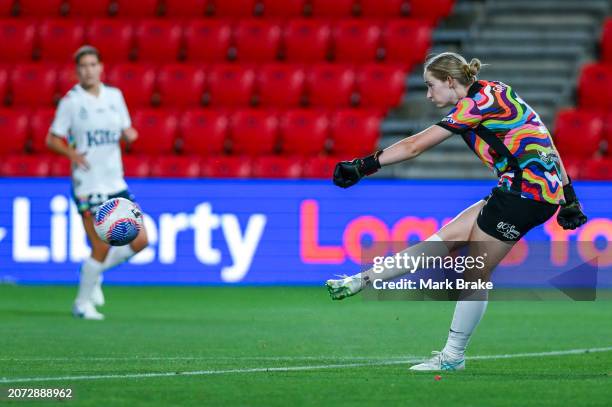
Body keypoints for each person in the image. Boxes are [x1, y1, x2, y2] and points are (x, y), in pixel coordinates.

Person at [325, 52, 587, 371]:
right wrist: (568, 194)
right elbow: (546, 140)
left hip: (524, 194)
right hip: (527, 191)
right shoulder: (499, 90)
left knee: (474, 272)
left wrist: (363, 166)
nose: (428, 93)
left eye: (431, 85)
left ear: (450, 82)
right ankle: (359, 281)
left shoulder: (473, 107)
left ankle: (452, 357)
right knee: (441, 241)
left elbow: (415, 146)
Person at [47, 45, 148, 320]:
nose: (88, 70)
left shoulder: (115, 96)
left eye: (93, 64)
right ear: (77, 70)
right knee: (102, 246)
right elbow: (52, 138)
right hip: (88, 184)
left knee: (141, 240)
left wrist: (130, 135)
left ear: (101, 67)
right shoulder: (71, 102)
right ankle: (81, 303)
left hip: (115, 181)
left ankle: (92, 273)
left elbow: (126, 132)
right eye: (83, 66)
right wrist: (71, 153)